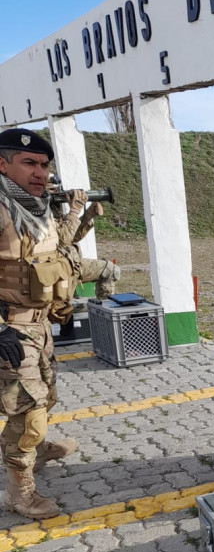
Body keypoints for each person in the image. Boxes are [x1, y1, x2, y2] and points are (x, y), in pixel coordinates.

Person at [0, 128, 115, 519]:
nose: (40, 172)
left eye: (45, 165)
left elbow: (54, 257)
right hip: (10, 329)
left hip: (39, 326)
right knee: (27, 414)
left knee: (46, 398)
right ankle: (20, 494)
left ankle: (35, 449)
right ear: (2, 163)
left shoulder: (34, 208)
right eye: (29, 162)